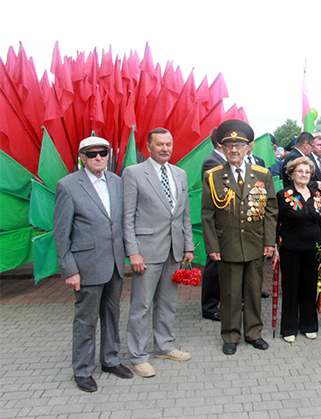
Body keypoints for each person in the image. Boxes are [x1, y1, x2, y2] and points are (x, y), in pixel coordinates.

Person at [54, 137, 132, 392]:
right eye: (91, 154)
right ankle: (83, 370)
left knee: (112, 315)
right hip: (87, 265)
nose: (98, 157)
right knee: (86, 321)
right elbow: (61, 232)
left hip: (114, 264)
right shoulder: (67, 186)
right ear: (82, 157)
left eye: (103, 152)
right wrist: (70, 269)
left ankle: (110, 360)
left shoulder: (117, 182)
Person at [201, 119, 278, 355]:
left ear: (248, 148)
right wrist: (212, 246)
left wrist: (269, 242)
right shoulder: (213, 176)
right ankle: (231, 335)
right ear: (222, 148)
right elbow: (207, 214)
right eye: (229, 145)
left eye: (239, 145)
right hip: (228, 245)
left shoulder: (262, 175)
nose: (234, 149)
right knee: (231, 293)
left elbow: (271, 210)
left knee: (254, 291)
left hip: (255, 243)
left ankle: (253, 333)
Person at [123, 128, 195, 378]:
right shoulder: (133, 173)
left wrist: (188, 245)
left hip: (174, 251)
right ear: (148, 146)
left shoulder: (180, 174)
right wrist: (133, 252)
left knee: (168, 303)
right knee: (141, 306)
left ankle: (164, 346)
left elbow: (184, 213)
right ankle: (138, 355)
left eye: (168, 144)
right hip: (147, 252)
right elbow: (127, 216)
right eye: (159, 144)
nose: (165, 148)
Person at [277, 157, 321, 342]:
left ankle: (308, 325)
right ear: (291, 174)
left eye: (307, 172)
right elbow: (276, 224)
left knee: (309, 288)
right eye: (300, 171)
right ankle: (289, 328)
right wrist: (275, 246)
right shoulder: (283, 196)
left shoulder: (316, 195)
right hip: (290, 249)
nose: (304, 175)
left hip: (312, 250)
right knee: (290, 289)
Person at [199, 131, 227, 322]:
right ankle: (209, 306)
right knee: (213, 267)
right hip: (218, 224)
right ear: (219, 142)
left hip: (229, 226)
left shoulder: (223, 160)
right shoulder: (212, 162)